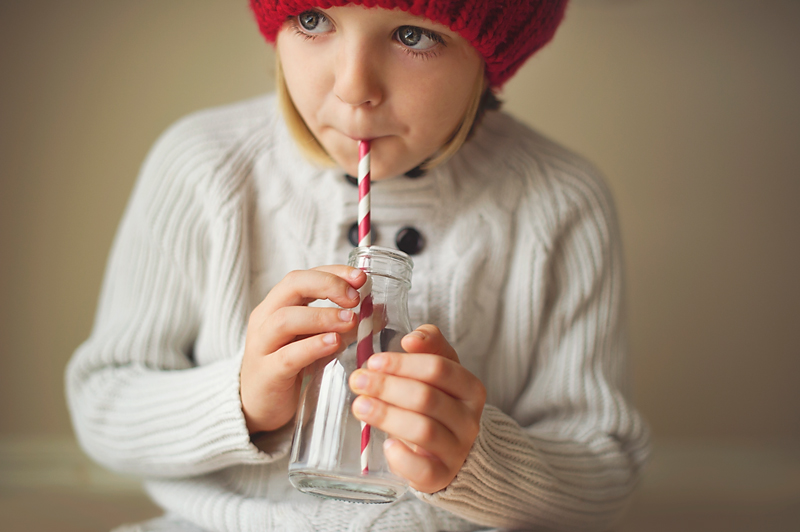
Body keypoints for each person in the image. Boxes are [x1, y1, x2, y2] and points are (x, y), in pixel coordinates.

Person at [66, 1, 650, 531]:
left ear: (492, 57)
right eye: (314, 20)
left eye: (412, 34)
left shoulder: (561, 201)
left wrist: (475, 460)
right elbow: (105, 404)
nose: (354, 88)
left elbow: (605, 473)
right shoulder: (203, 167)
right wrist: (244, 400)